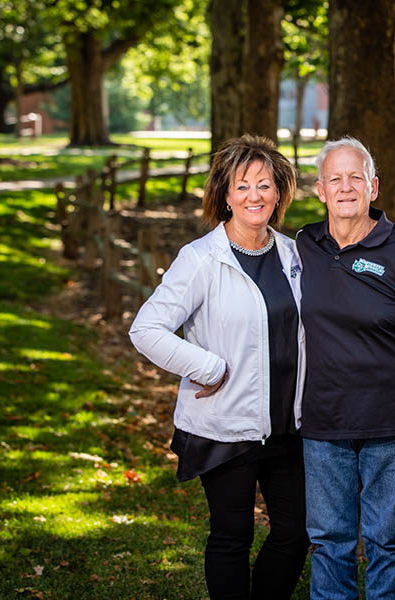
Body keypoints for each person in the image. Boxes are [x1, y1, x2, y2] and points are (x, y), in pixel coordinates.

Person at [128, 135, 310, 600]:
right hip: (225, 426)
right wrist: (208, 367)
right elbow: (146, 330)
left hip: (288, 427)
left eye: (265, 185)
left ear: (279, 192)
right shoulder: (200, 260)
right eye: (243, 186)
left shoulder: (293, 255)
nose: (255, 196)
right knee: (232, 538)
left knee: (295, 533)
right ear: (225, 195)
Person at [296, 137, 395, 599]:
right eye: (335, 178)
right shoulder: (304, 245)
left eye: (356, 177)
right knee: (330, 541)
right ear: (320, 190)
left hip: (390, 420)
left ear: (373, 186)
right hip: (323, 421)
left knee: (385, 539)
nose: (346, 186)